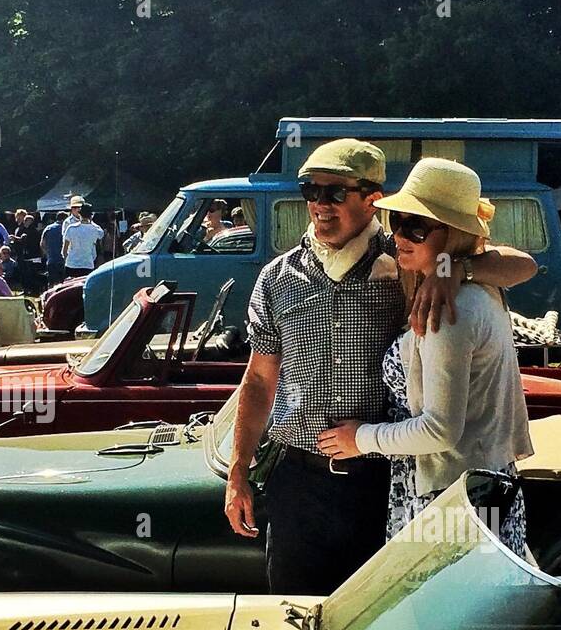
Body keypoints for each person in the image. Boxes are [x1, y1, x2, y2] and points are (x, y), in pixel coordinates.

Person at [223, 137, 536, 595]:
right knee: (296, 621)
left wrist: (454, 269)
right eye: (311, 191)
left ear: (372, 200)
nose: (320, 205)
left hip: (381, 479)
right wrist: (238, 472)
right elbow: (259, 379)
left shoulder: (410, 257)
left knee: (382, 626)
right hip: (300, 482)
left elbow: (522, 264)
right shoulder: (277, 277)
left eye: (335, 193)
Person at [315, 158, 534, 557]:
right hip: (482, 485)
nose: (400, 234)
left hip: (451, 495)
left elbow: (440, 430)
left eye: (417, 226)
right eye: (397, 221)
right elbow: (524, 264)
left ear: (455, 234)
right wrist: (455, 268)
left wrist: (359, 438)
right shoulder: (477, 288)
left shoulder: (446, 311)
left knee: (446, 614)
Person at [62, 205, 104, 276]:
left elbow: (65, 249)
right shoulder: (95, 230)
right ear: (91, 216)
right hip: (87, 264)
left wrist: (66, 260)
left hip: (71, 264)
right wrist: (91, 221)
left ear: (79, 214)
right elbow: (101, 235)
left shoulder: (71, 228)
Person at [42, 211, 66, 284]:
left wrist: (47, 254)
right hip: (63, 260)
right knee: (63, 283)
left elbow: (42, 244)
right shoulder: (66, 228)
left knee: (52, 282)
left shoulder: (48, 228)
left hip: (51, 260)